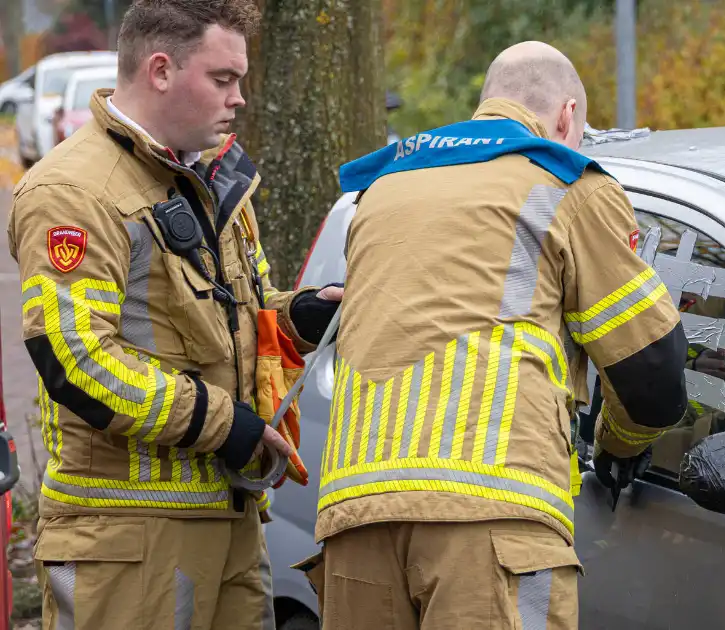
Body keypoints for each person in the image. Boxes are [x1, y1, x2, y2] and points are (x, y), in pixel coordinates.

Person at [302, 41, 689, 628]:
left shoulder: (381, 190)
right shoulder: (565, 184)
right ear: (566, 116)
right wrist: (619, 446)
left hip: (356, 516)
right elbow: (653, 373)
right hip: (492, 514)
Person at [8, 1, 342, 628]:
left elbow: (230, 316)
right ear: (160, 69)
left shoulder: (210, 179)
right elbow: (76, 360)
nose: (238, 98)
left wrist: (299, 316)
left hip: (230, 526)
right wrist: (227, 425)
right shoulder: (74, 192)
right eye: (223, 79)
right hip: (127, 541)